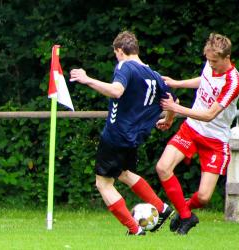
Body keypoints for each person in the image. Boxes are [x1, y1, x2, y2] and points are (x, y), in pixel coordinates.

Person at [70, 31, 176, 236]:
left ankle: (135, 229)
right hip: (134, 138)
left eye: (116, 53)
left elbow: (116, 91)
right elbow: (172, 101)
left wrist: (87, 79)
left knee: (103, 183)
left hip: (116, 134)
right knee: (124, 173)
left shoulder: (125, 66)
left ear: (120, 51)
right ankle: (162, 209)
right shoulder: (153, 75)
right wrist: (169, 119)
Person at [155, 33, 239, 235]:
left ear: (226, 58)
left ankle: (185, 209)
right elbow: (203, 81)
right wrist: (177, 83)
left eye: (214, 61)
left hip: (216, 140)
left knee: (203, 197)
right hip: (192, 128)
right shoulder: (210, 65)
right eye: (208, 60)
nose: (210, 65)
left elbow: (210, 115)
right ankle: (186, 217)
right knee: (162, 167)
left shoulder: (233, 81)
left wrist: (175, 109)